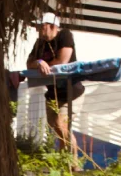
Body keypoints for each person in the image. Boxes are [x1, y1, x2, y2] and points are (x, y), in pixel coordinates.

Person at [27, 12, 82, 154]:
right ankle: (67, 163)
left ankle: (73, 165)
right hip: (52, 93)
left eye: (40, 26)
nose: (37, 29)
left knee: (60, 125)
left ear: (51, 26)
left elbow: (62, 61)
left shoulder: (64, 35)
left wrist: (46, 65)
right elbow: (29, 63)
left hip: (70, 92)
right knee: (58, 130)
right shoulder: (40, 43)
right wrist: (39, 62)